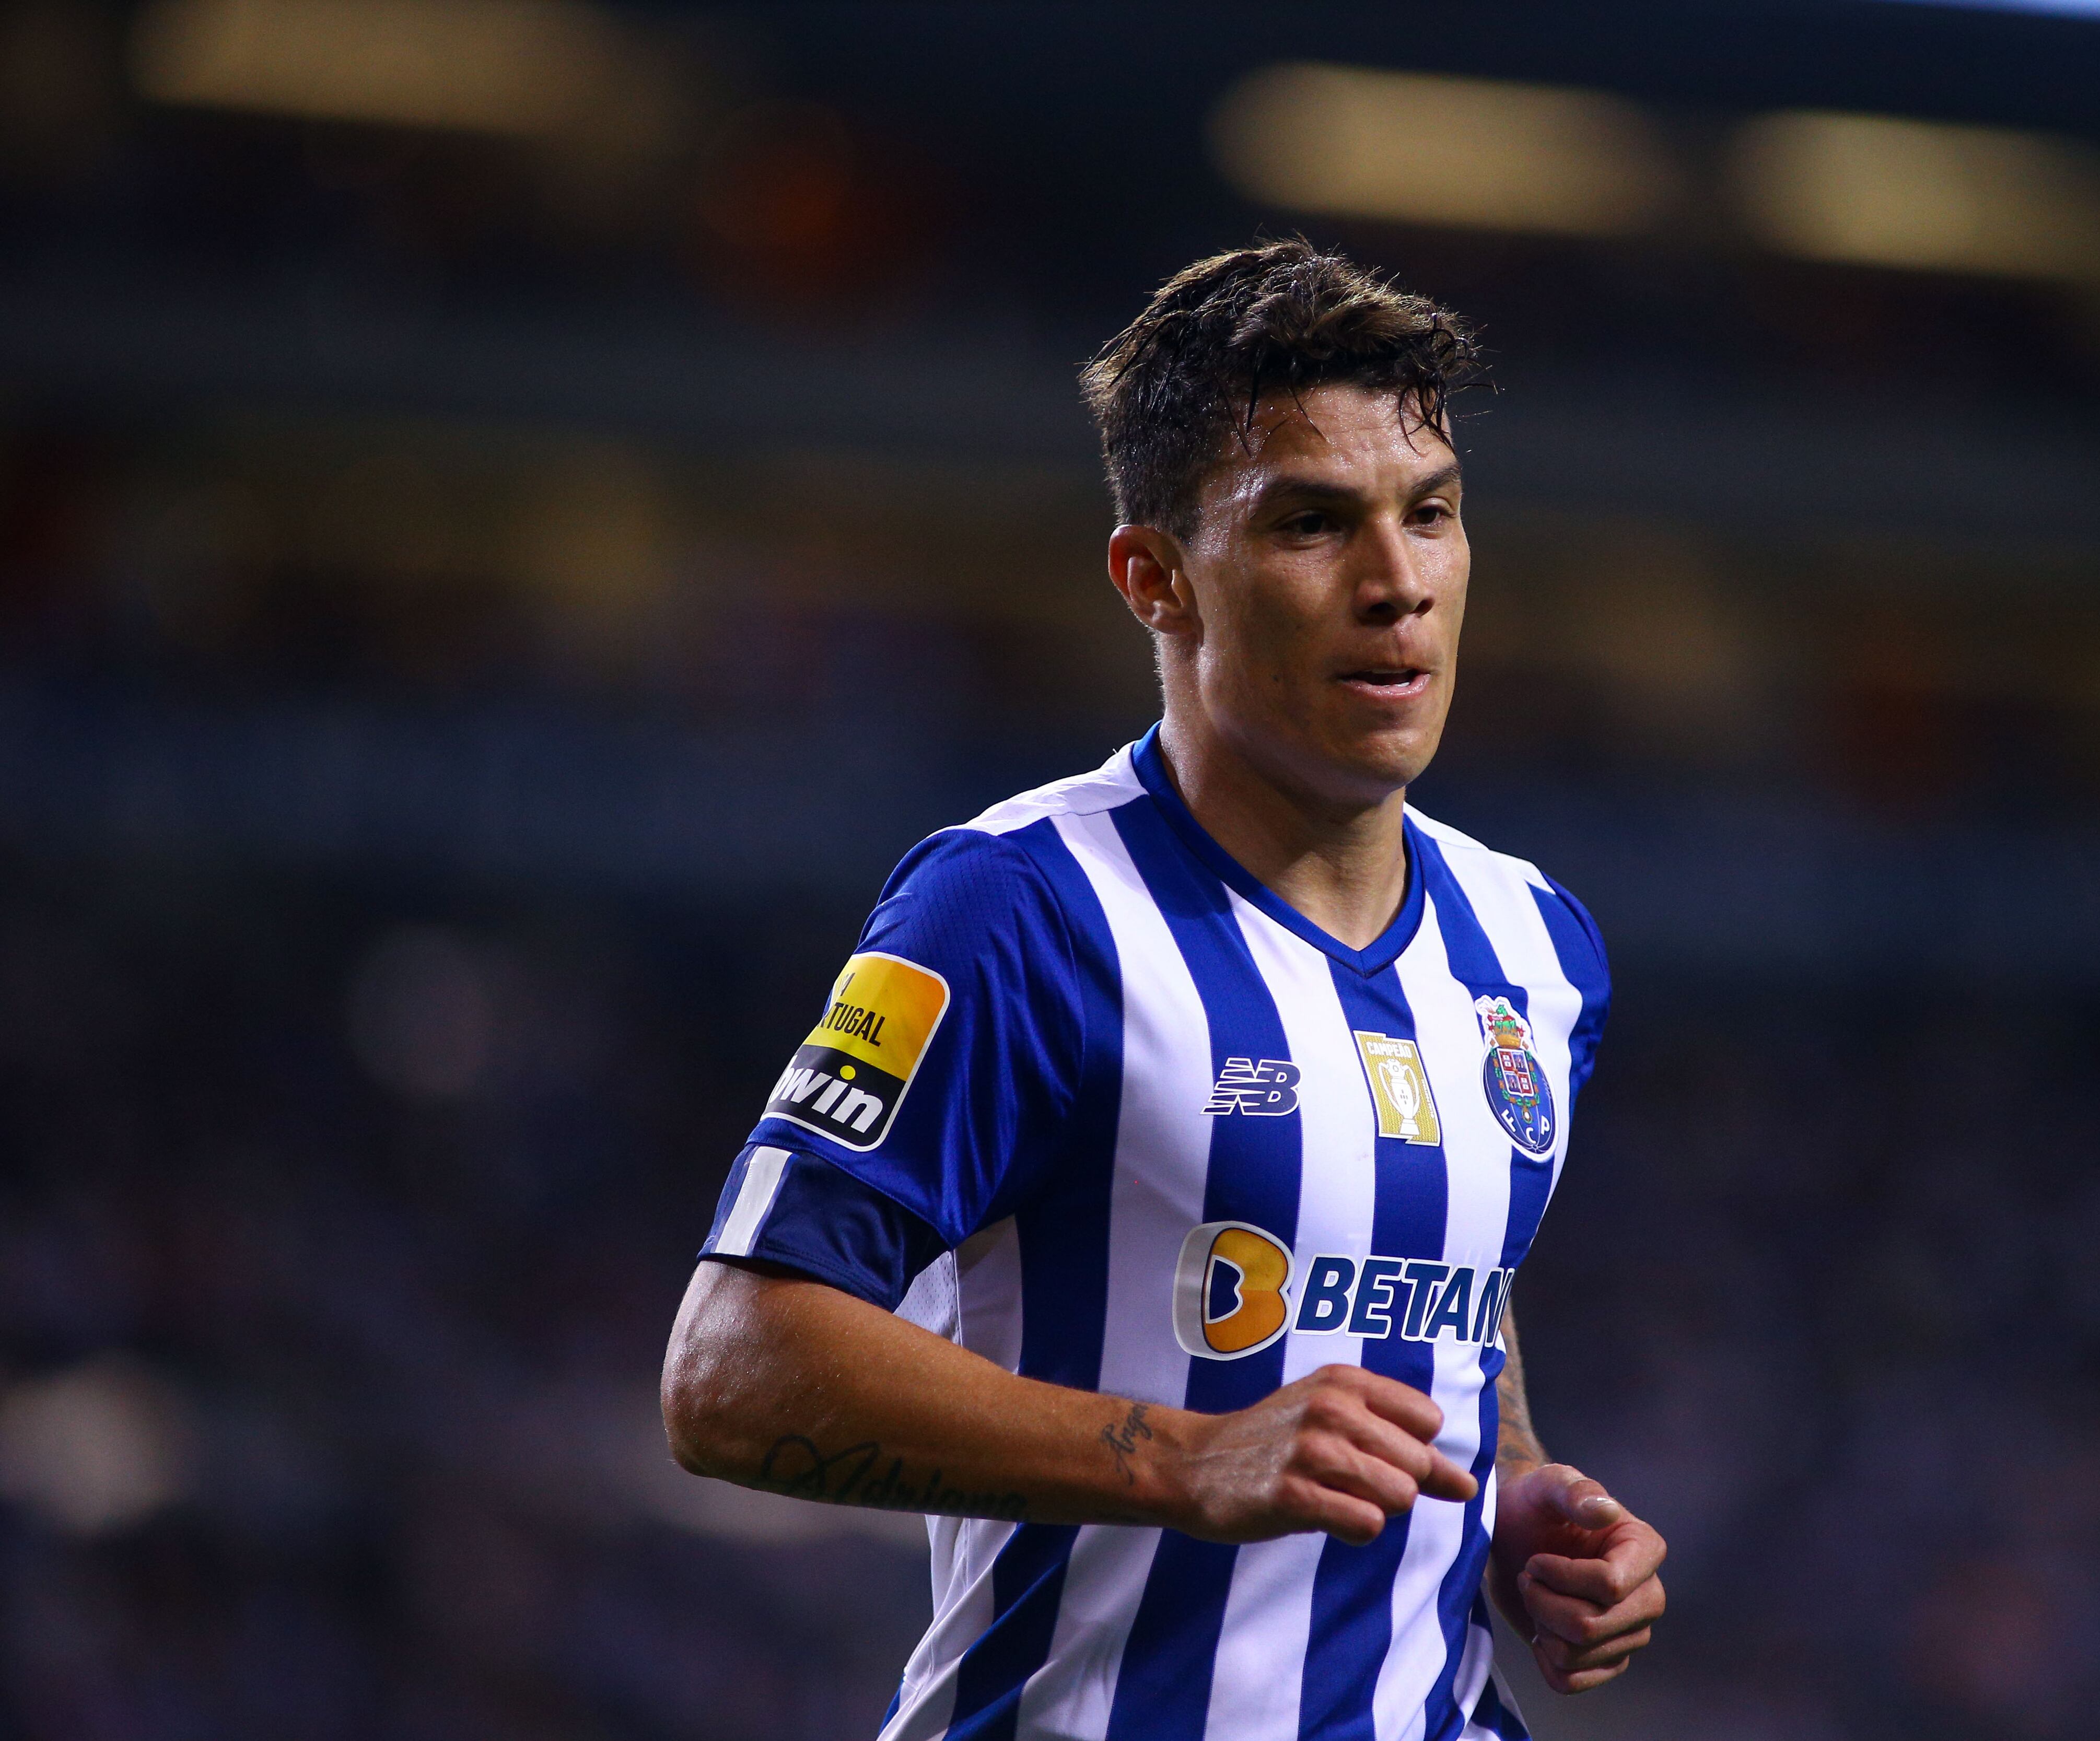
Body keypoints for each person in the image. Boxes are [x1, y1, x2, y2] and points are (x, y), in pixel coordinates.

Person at [661, 240, 1666, 1741]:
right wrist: (1182, 1458)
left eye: (1432, 516)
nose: (1398, 585)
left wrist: (1511, 1479)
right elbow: (732, 1372)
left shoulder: (1536, 944)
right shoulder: (1015, 908)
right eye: (1315, 525)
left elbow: (1450, 1272)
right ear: (1156, 579)